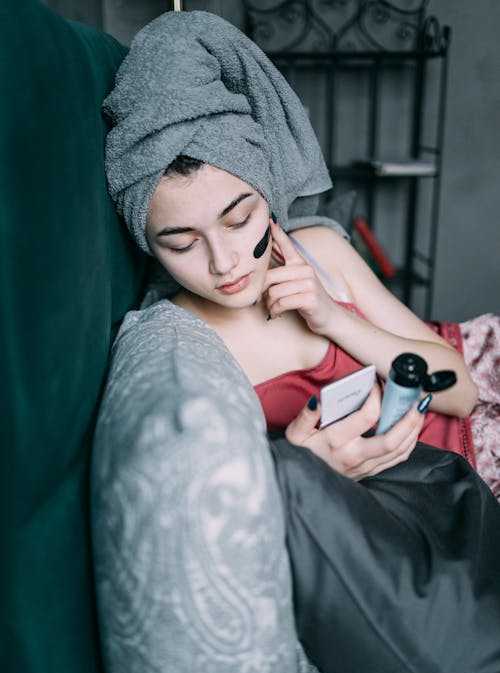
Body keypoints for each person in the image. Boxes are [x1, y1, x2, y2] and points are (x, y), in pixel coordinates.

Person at [103, 10, 498, 495]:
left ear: (268, 197)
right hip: (439, 498)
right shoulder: (185, 344)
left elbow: (460, 392)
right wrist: (302, 465)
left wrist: (333, 318)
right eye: (181, 242)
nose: (224, 263)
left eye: (239, 219)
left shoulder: (319, 249)